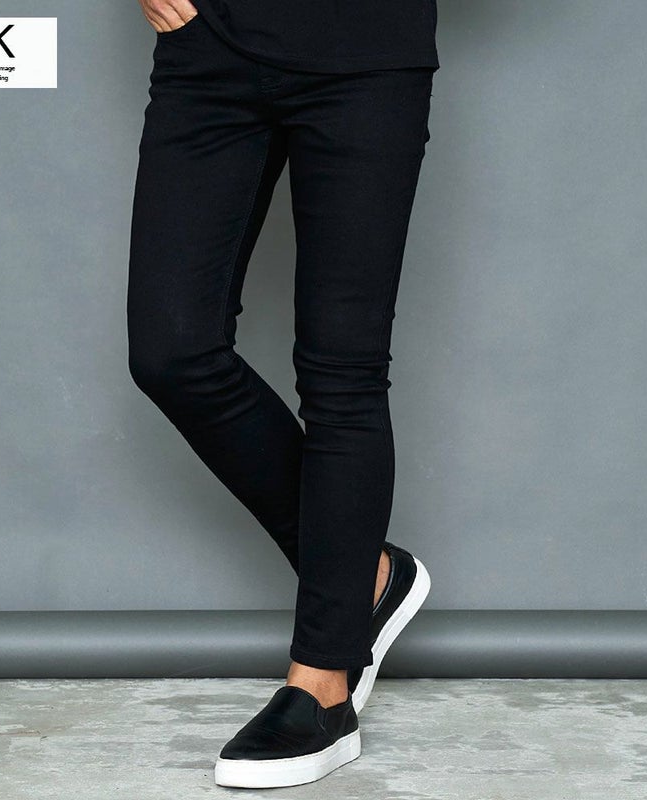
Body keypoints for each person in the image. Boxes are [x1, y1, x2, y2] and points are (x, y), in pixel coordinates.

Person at [128, 0, 439, 787]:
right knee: (172, 351)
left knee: (343, 374)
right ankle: (365, 578)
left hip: (367, 56)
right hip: (210, 48)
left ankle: (323, 684)